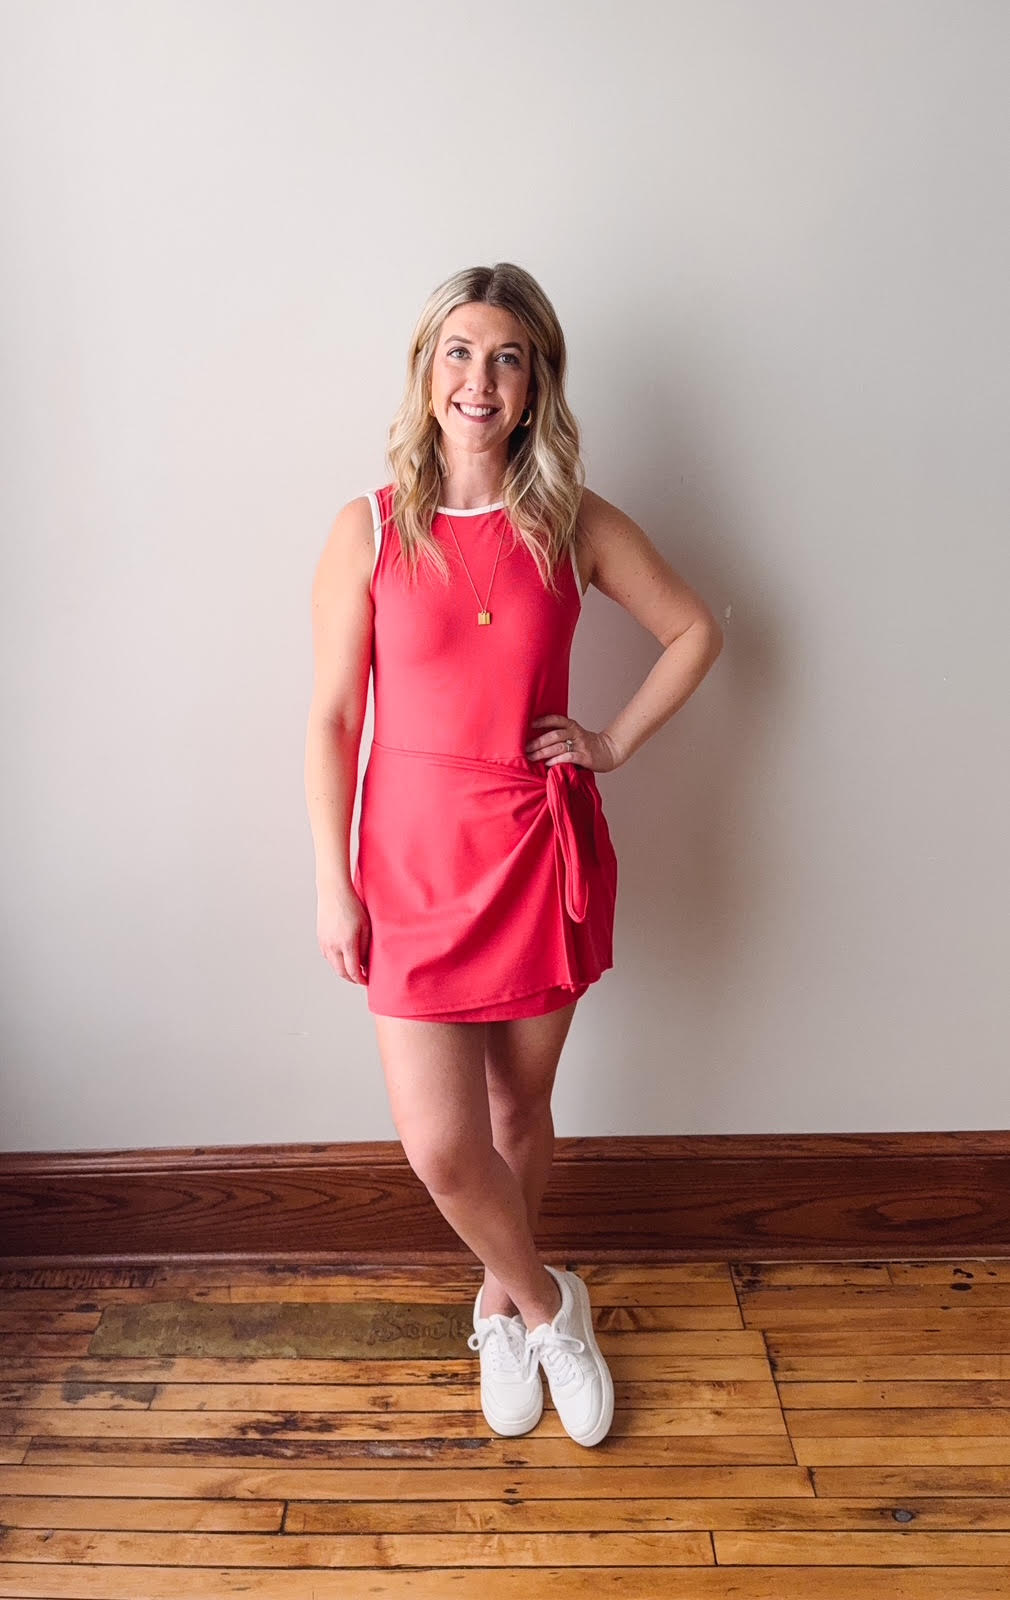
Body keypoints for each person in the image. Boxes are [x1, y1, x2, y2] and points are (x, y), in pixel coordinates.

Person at [305, 262, 723, 1449]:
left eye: (504, 357)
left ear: (534, 383)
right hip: (409, 862)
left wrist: (610, 742)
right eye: (457, 351)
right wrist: (333, 879)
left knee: (514, 1106)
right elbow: (334, 717)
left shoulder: (574, 521)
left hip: (537, 847)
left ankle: (496, 1303)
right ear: (425, 371)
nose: (477, 379)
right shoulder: (369, 527)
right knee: (440, 1146)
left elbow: (694, 629)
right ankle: (549, 1302)